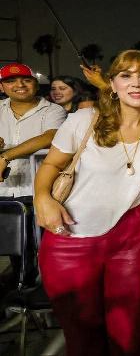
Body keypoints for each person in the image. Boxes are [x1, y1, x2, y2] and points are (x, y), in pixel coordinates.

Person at [34, 50, 140, 355]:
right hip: (71, 237)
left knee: (129, 331)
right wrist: (42, 197)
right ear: (112, 84)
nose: (136, 83)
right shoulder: (84, 120)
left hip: (133, 239)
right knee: (82, 333)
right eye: (126, 76)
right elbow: (51, 165)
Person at [0, 63, 67, 284]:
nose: (19, 84)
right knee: (16, 251)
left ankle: (48, 293)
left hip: (39, 191)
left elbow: (50, 137)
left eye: (26, 80)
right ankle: (21, 292)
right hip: (5, 192)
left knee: (45, 249)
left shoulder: (53, 110)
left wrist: (5, 156)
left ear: (35, 84)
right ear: (2, 87)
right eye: (11, 81)